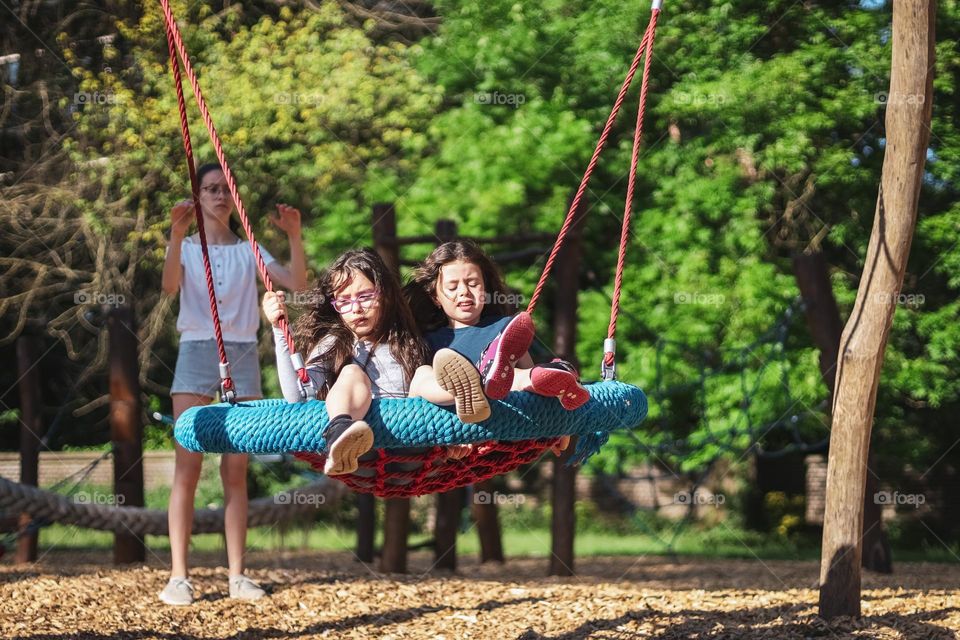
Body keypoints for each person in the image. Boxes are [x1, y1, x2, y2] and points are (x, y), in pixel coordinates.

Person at [158, 163, 307, 605]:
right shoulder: (186, 248)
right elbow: (168, 287)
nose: (219, 196)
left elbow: (298, 284)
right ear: (198, 196)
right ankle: (179, 576)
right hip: (196, 349)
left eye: (225, 189)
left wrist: (295, 236)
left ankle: (238, 575)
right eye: (210, 189)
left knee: (235, 471)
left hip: (240, 353)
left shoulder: (250, 251)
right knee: (188, 468)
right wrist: (175, 233)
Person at [262, 248, 485, 475]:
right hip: (361, 456)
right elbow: (297, 396)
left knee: (423, 374)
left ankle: (461, 397)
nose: (356, 308)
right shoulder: (336, 342)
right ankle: (340, 430)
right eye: (344, 301)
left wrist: (456, 433)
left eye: (365, 296)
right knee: (351, 372)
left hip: (416, 450)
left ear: (385, 295)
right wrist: (280, 330)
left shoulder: (408, 339)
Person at [408, 240, 593, 454]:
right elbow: (415, 399)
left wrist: (557, 422)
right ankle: (468, 389)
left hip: (501, 417)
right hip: (451, 424)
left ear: (486, 288)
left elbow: (528, 389)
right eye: (452, 286)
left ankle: (550, 378)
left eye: (473, 283)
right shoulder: (429, 339)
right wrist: (444, 438)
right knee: (422, 374)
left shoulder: (506, 329)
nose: (464, 292)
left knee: (517, 376)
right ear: (435, 298)